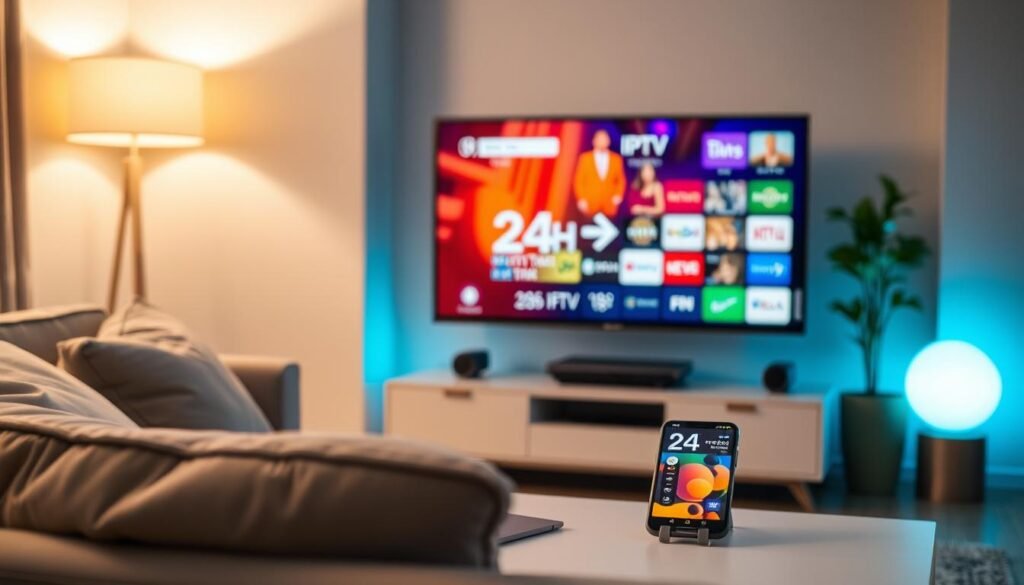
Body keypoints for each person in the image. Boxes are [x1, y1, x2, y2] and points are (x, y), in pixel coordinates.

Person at [573, 129, 626, 217]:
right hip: (590, 202)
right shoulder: (585, 158)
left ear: (608, 141)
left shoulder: (616, 159)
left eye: (604, 139)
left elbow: (621, 180)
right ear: (594, 141)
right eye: (600, 139)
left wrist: (617, 197)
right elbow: (579, 180)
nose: (602, 141)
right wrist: (581, 199)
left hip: (609, 203)